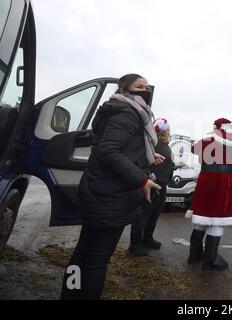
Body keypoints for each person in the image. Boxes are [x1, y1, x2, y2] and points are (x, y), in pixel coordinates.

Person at [60, 74, 163, 300]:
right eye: (139, 86)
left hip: (100, 188)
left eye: (146, 86)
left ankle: (69, 295)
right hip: (111, 194)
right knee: (97, 260)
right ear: (124, 88)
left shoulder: (118, 108)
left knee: (83, 252)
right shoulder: (129, 112)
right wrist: (142, 179)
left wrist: (145, 155)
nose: (144, 90)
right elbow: (108, 150)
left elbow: (114, 145)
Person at [186, 118, 232, 271]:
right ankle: (210, 260)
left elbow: (193, 149)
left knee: (202, 216)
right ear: (228, 127)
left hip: (205, 180)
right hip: (223, 182)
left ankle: (194, 254)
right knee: (218, 219)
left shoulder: (206, 139)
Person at [129, 118, 175, 256]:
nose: (169, 131)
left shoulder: (165, 144)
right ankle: (135, 244)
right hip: (151, 184)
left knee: (154, 215)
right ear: (164, 130)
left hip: (162, 184)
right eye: (168, 129)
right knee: (143, 215)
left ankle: (148, 238)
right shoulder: (152, 143)